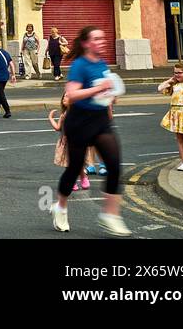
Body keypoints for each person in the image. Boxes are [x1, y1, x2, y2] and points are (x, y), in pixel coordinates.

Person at [51, 27, 130, 236]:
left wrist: (111, 93)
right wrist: (99, 88)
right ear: (86, 43)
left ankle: (110, 215)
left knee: (114, 165)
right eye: (97, 38)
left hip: (101, 120)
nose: (102, 41)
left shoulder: (102, 63)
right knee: (74, 168)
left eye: (103, 37)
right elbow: (71, 95)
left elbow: (103, 90)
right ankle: (60, 207)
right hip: (79, 122)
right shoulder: (79, 65)